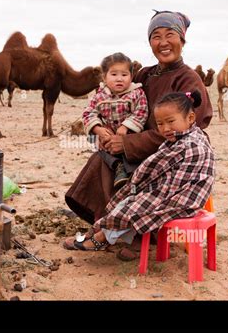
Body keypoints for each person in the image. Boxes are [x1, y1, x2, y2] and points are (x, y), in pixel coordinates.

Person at [64, 10, 214, 260]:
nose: (163, 42)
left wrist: (128, 143)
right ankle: (113, 230)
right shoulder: (144, 74)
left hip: (172, 153)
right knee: (103, 159)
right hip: (138, 144)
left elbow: (183, 131)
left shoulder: (189, 79)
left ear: (182, 39)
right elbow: (119, 98)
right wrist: (106, 132)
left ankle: (128, 235)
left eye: (170, 35)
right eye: (156, 36)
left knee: (129, 171)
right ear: (150, 42)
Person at [68, 90, 215, 251]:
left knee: (135, 207)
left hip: (183, 197)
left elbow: (159, 171)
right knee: (130, 199)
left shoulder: (189, 144)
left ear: (191, 118)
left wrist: (140, 186)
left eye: (170, 121)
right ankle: (100, 230)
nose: (165, 128)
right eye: (160, 124)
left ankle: (101, 237)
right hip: (173, 189)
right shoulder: (180, 137)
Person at [83, 52, 148, 189]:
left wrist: (126, 126)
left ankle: (131, 172)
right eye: (114, 74)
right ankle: (118, 166)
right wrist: (97, 129)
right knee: (98, 145)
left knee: (131, 150)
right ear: (104, 77)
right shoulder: (100, 97)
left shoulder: (136, 93)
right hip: (107, 136)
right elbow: (89, 113)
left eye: (124, 75)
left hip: (129, 135)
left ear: (131, 76)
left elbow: (141, 112)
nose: (119, 79)